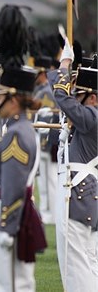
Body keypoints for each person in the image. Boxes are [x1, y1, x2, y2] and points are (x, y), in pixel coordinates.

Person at [0, 66, 46, 292]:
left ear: (13, 100)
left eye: (0, 96)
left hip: (9, 218)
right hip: (9, 215)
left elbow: (13, 186)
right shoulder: (20, 128)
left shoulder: (16, 134)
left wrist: (7, 227)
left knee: (10, 284)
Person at [47, 36, 98, 292]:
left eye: (80, 94)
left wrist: (65, 66)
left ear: (92, 97)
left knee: (76, 267)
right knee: (88, 262)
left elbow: (62, 99)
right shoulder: (90, 117)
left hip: (78, 196)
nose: (75, 98)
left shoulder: (92, 115)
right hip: (86, 195)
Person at [32, 56, 58, 224]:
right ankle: (46, 211)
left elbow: (50, 117)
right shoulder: (41, 90)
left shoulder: (47, 91)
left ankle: (51, 213)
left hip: (47, 141)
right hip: (42, 140)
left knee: (50, 181)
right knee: (43, 181)